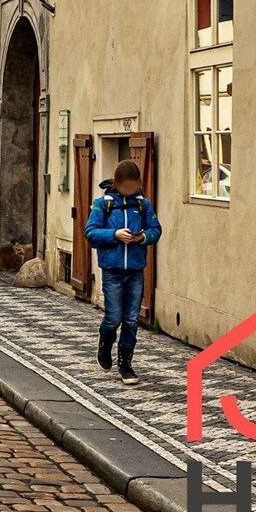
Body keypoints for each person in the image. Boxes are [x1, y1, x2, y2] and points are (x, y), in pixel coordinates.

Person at [84, 158, 161, 381]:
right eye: (126, 187)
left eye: (133, 186)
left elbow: (156, 229)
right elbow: (90, 232)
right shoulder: (103, 204)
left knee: (131, 319)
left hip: (136, 270)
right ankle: (105, 342)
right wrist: (114, 235)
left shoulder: (142, 204)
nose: (130, 190)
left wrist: (143, 237)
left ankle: (125, 363)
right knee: (113, 317)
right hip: (112, 270)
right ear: (117, 183)